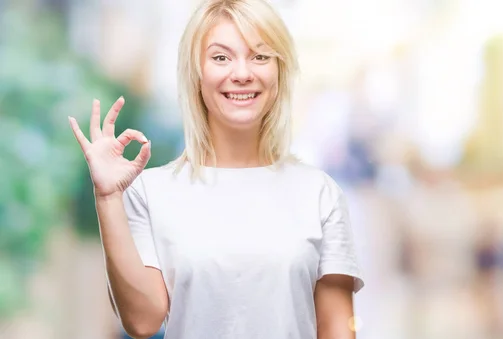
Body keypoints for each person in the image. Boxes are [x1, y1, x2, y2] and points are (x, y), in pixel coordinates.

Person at [67, 0, 364, 338]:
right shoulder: (151, 192)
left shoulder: (319, 194)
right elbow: (142, 321)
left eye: (260, 56)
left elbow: (338, 328)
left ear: (279, 73)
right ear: (196, 74)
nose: (241, 73)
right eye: (221, 57)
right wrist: (107, 197)